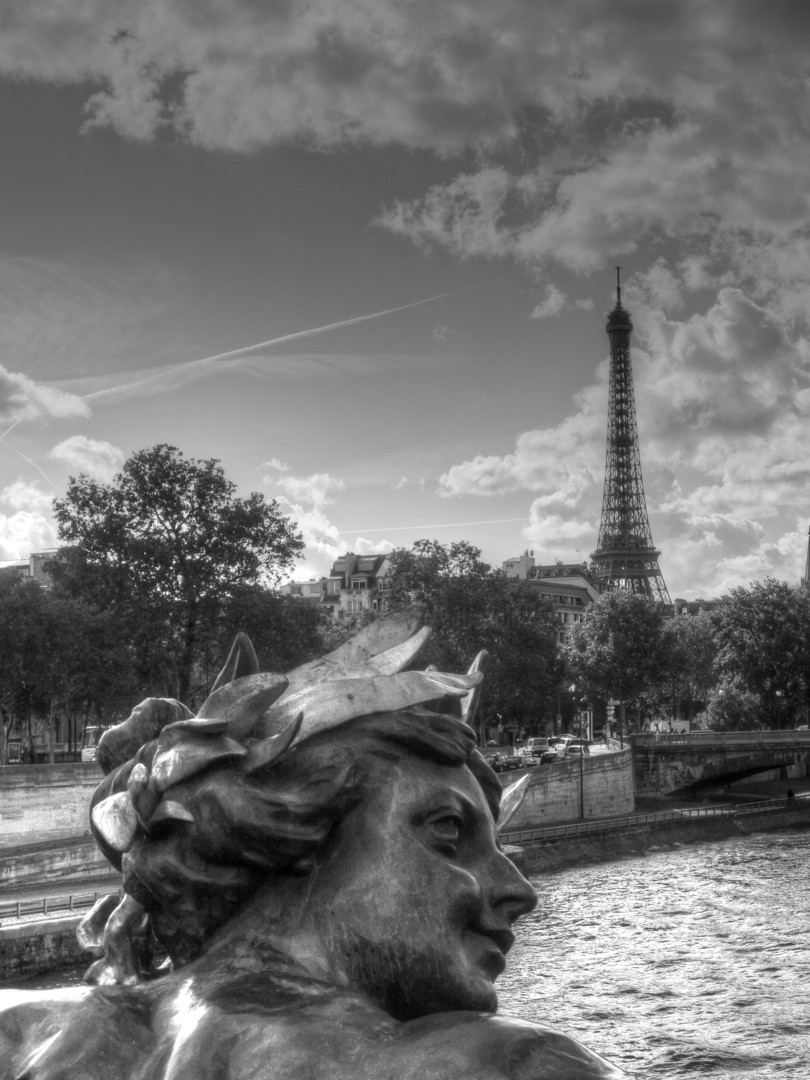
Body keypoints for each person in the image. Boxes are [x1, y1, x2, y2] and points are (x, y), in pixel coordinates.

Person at [0, 609, 626, 1079]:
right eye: (448, 832)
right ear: (295, 835)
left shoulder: (18, 1031)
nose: (520, 890)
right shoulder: (507, 1065)